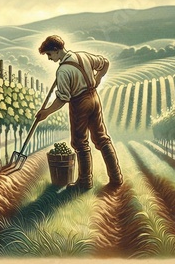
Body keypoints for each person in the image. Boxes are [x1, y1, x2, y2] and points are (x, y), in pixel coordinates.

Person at [36, 35, 123, 190]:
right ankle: (116, 177)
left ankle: (85, 182)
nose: (49, 58)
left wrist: (47, 112)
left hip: (80, 104)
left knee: (80, 143)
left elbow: (63, 99)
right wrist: (98, 78)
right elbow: (105, 63)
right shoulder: (83, 55)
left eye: (49, 54)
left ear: (56, 50)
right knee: (102, 138)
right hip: (94, 99)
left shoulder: (63, 71)